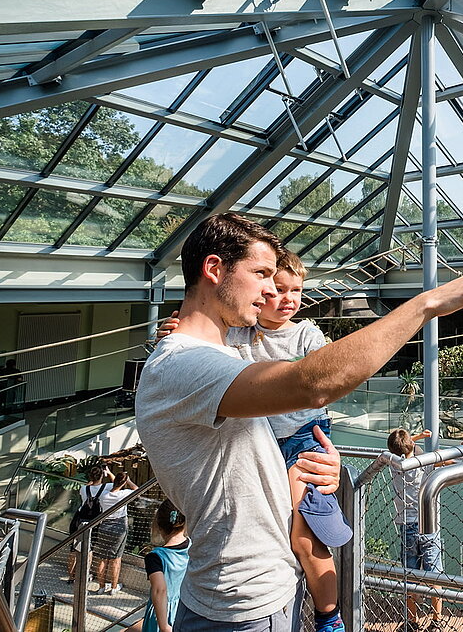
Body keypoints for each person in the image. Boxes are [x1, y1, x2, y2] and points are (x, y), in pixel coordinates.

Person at [136, 213, 463, 632]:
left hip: (255, 592)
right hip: (243, 605)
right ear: (214, 269)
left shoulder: (217, 356)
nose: (269, 287)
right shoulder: (183, 364)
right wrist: (425, 304)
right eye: (260, 273)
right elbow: (313, 382)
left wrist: (301, 469)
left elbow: (237, 466)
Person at [158, 249, 350, 632]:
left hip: (303, 439)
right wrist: (174, 329)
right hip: (264, 442)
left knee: (306, 533)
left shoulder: (306, 333)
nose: (287, 299)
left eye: (296, 290)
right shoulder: (238, 333)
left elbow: (328, 369)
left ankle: (330, 617)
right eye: (277, 289)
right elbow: (202, 340)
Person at [387, 428, 443, 632]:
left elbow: (397, 450)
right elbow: (429, 457)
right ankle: (437, 621)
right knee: (435, 575)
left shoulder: (394, 465)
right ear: (411, 445)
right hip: (428, 524)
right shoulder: (424, 463)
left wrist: (413, 439)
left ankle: (412, 621)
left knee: (409, 576)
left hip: (406, 525)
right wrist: (415, 441)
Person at [140, 499, 190, 632]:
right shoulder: (192, 547)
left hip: (162, 613)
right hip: (185, 608)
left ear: (159, 526)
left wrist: (163, 626)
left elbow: (159, 590)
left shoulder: (155, 557)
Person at [91, 467, 138, 594]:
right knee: (116, 559)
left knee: (102, 558)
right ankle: (113, 587)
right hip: (119, 527)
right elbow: (136, 489)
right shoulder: (124, 494)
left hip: (104, 525)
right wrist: (127, 481)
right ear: (123, 483)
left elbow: (113, 484)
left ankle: (101, 587)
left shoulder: (103, 494)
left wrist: (111, 475)